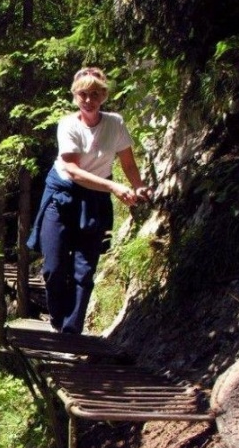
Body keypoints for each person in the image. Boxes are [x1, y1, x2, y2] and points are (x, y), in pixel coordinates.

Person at [27, 67, 152, 334]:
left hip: (94, 199)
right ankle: (58, 320)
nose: (88, 99)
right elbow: (73, 170)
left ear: (104, 96)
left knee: (84, 270)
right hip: (62, 195)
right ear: (75, 96)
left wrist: (138, 186)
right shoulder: (68, 125)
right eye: (83, 94)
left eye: (95, 94)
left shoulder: (115, 123)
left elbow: (128, 163)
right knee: (54, 268)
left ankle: (71, 333)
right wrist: (113, 187)